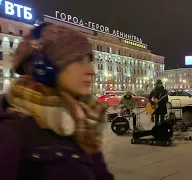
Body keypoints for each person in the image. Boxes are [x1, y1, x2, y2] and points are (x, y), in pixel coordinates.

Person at [0, 23, 114, 179]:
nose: (91, 71)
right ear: (45, 68)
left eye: (89, 61)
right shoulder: (13, 133)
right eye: (79, 60)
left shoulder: (83, 123)